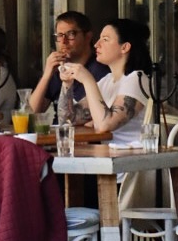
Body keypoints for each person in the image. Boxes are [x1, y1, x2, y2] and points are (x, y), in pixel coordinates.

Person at [58, 18, 151, 149]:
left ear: (124, 47)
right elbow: (67, 119)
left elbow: (104, 125)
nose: (96, 44)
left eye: (105, 39)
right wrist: (67, 84)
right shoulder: (107, 80)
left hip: (130, 162)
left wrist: (88, 80)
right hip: (107, 159)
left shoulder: (137, 79)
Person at [30, 10, 109, 114]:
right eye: (59, 35)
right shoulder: (58, 69)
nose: (63, 41)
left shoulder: (100, 69)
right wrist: (46, 75)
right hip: (59, 128)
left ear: (88, 37)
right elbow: (31, 112)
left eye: (71, 34)